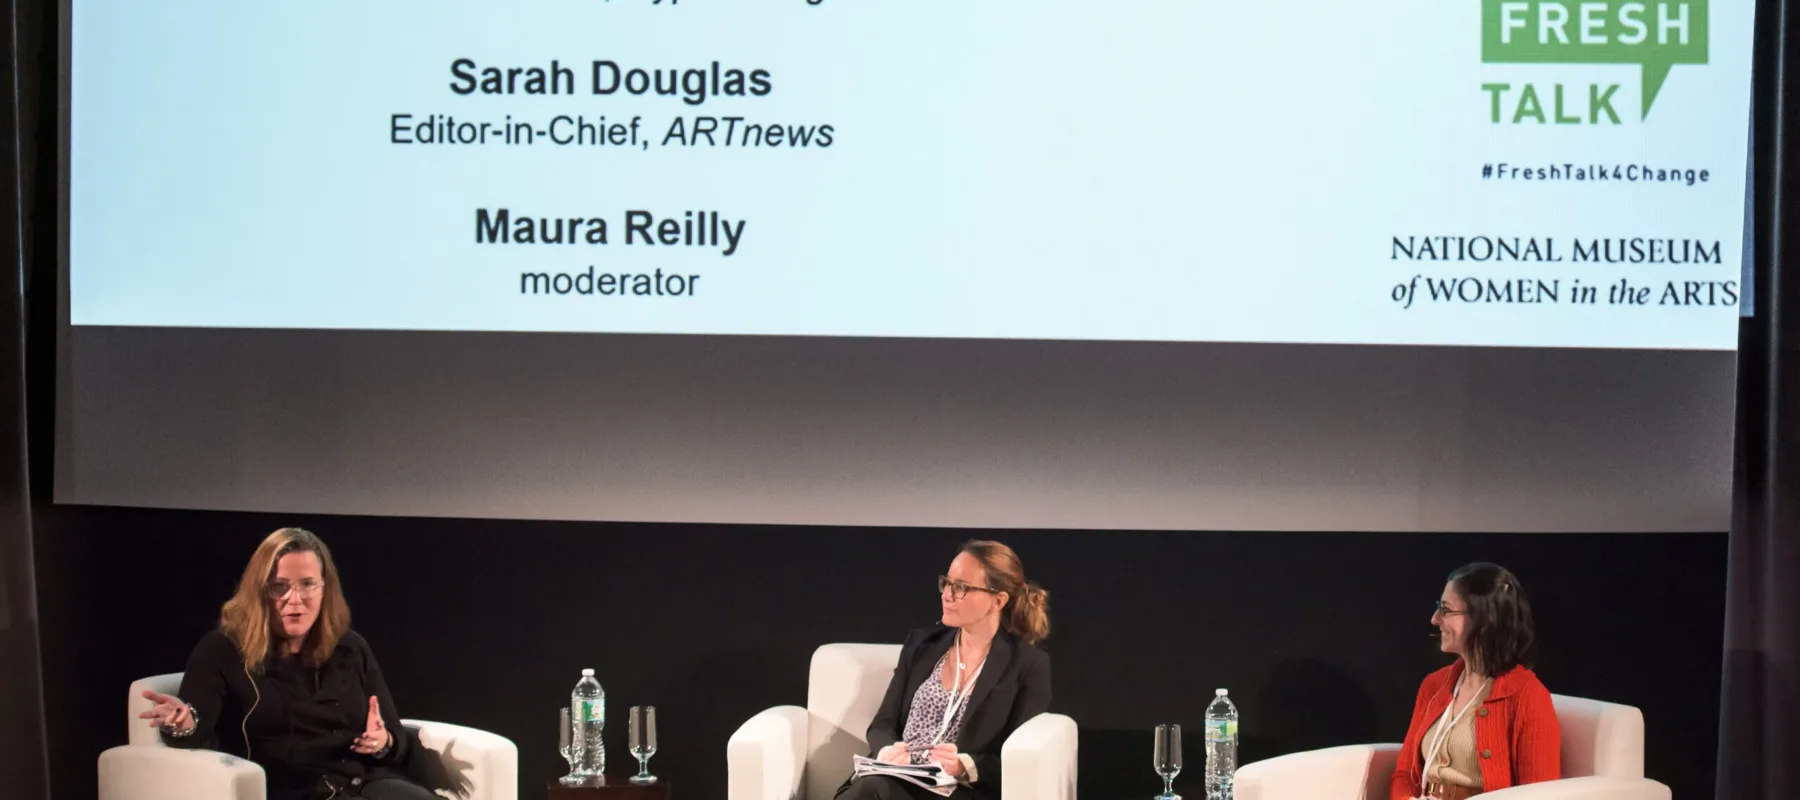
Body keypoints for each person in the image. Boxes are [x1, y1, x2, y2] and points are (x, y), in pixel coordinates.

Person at [138, 528, 433, 800]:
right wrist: (183, 724)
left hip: (365, 783)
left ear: (323, 588)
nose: (295, 600)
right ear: (260, 590)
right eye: (279, 587)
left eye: (307, 584)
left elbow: (397, 741)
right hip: (291, 791)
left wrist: (383, 742)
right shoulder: (223, 649)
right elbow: (195, 727)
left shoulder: (351, 647)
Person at [838, 540, 1053, 800]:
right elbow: (883, 724)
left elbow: (1019, 759)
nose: (947, 594)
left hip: (954, 791)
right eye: (947, 583)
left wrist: (965, 766)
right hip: (895, 778)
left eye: (961, 587)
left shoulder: (1027, 665)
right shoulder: (922, 645)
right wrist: (886, 752)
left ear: (998, 600)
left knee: (872, 792)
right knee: (872, 789)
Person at [1390, 563, 1561, 800]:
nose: (1434, 619)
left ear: (1483, 620)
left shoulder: (1527, 697)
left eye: (1446, 610)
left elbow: (1539, 795)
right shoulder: (1434, 685)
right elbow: (1404, 775)